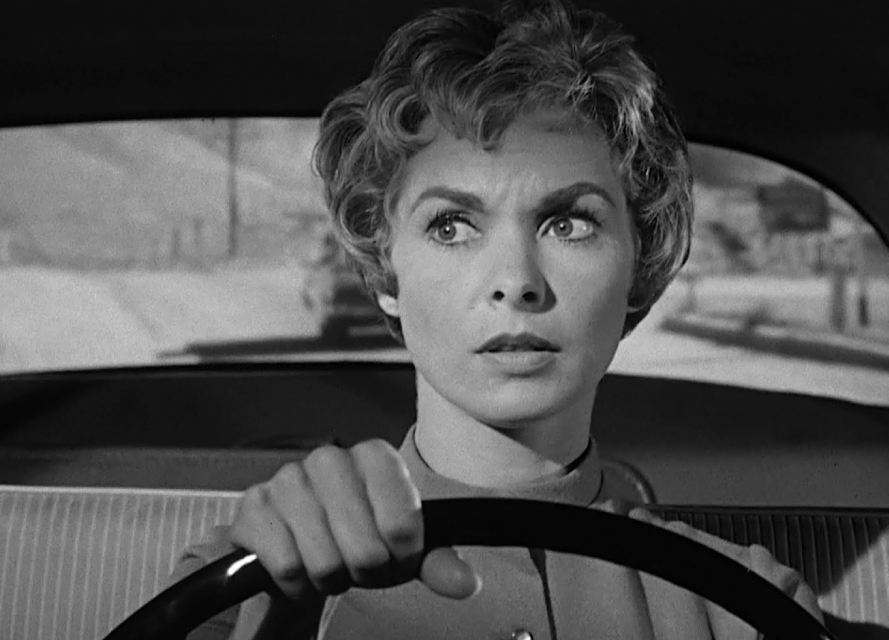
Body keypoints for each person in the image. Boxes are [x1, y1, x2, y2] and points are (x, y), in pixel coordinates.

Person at [169, 0, 823, 637]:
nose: (516, 281)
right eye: (451, 226)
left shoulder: (747, 610)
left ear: (638, 260)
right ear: (386, 271)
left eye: (569, 223)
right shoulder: (234, 585)